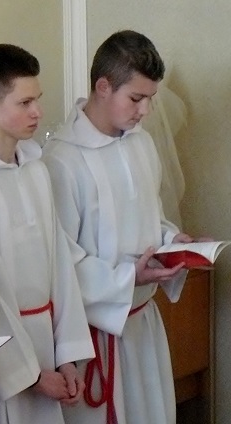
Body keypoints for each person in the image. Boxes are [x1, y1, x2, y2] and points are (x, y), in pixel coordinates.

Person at [42, 30, 203, 424]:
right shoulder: (62, 160)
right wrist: (128, 277)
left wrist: (172, 241)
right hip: (97, 334)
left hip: (143, 323)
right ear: (103, 86)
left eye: (150, 98)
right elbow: (62, 260)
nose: (145, 110)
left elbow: (150, 215)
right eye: (136, 98)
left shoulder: (140, 143)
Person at [0, 44, 94, 424]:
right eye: (25, 102)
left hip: (47, 346)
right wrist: (29, 375)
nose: (37, 111)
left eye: (37, 99)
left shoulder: (37, 170)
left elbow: (61, 266)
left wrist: (67, 355)